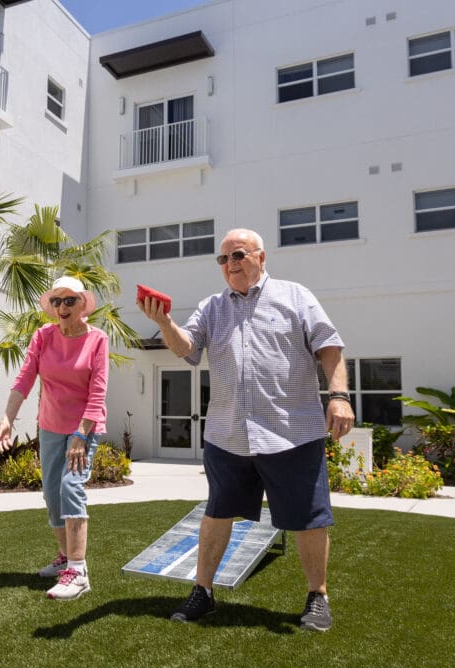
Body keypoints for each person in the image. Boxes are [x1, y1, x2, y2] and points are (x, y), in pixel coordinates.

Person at [137, 228, 354, 631]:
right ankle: (203, 592)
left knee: (309, 517)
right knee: (217, 513)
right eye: (223, 259)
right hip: (228, 433)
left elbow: (330, 347)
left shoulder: (296, 296)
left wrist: (339, 396)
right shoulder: (212, 306)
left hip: (292, 431)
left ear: (261, 257)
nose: (230, 264)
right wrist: (164, 321)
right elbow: (186, 348)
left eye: (238, 255)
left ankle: (317, 596)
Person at [0, 275, 109, 601]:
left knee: (71, 488)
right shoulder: (43, 336)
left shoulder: (97, 339)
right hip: (51, 425)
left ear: (83, 304)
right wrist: (7, 418)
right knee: (52, 494)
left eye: (69, 300)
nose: (62, 307)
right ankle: (64, 557)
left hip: (84, 428)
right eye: (56, 301)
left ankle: (78, 571)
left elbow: (98, 392)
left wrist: (81, 434)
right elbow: (25, 378)